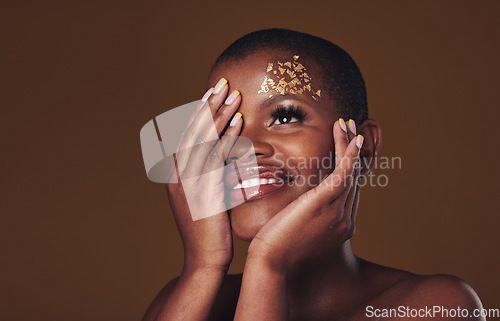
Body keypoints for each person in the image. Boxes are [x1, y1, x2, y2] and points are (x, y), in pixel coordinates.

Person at [142, 29, 484, 321]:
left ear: (361, 148)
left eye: (285, 116)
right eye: (224, 128)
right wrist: (202, 265)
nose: (242, 148)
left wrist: (268, 266)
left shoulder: (436, 305)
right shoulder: (185, 299)